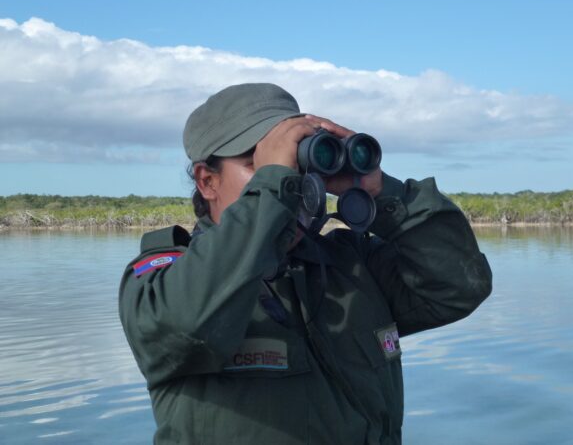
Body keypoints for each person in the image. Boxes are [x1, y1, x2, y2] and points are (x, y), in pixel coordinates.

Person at [119, 83, 492, 445]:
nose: (292, 181)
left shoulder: (352, 266)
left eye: (296, 163)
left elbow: (459, 286)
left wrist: (384, 193)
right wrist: (271, 187)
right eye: (260, 163)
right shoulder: (163, 278)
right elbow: (185, 327)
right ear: (207, 181)